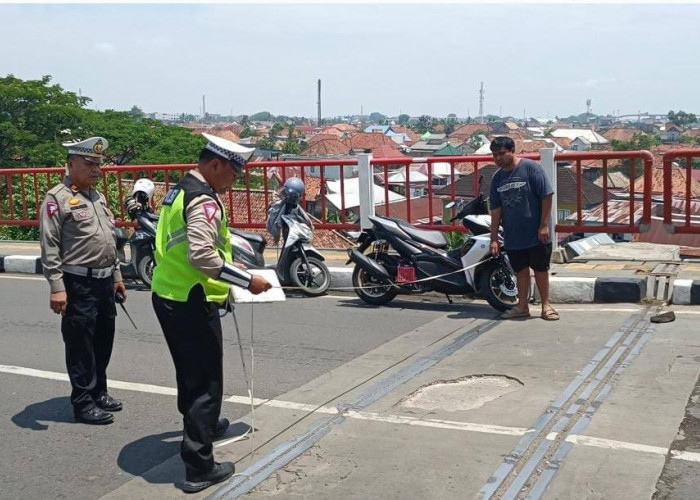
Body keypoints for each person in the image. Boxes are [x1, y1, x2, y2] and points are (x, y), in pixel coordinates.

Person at [151, 133, 272, 494]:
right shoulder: (204, 199)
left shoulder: (180, 190)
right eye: (234, 174)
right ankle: (199, 467)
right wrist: (247, 280)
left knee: (190, 373)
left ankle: (203, 426)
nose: (235, 181)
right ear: (216, 165)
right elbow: (203, 256)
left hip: (170, 292)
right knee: (205, 382)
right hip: (190, 298)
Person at [39, 136, 126, 425]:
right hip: (77, 284)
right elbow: (50, 246)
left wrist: (116, 276)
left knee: (104, 340)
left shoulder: (97, 197)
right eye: (89, 163)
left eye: (98, 164)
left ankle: (99, 392)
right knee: (80, 346)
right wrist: (57, 287)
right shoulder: (57, 199)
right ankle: (83, 402)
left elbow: (108, 241)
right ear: (71, 163)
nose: (96, 170)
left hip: (103, 282)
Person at [488, 136, 559, 321]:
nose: (498, 159)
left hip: (536, 232)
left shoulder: (531, 168)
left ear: (512, 150)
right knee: (520, 270)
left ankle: (546, 305)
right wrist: (494, 238)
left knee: (540, 269)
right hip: (513, 234)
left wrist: (544, 225)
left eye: (501, 154)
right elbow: (495, 210)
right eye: (494, 155)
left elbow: (547, 195)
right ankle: (522, 306)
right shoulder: (497, 178)